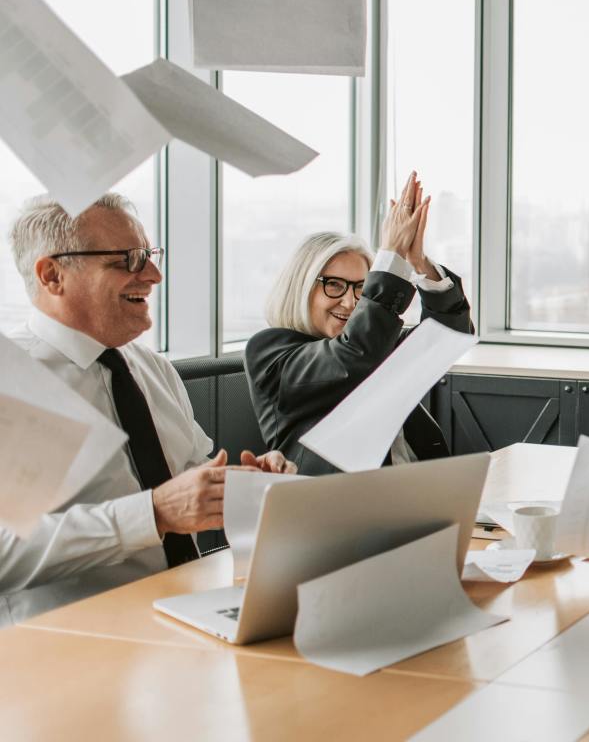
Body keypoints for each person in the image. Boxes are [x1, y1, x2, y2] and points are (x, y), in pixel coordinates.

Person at [1, 193, 294, 627]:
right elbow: (8, 554)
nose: (154, 275)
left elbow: (192, 480)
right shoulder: (14, 383)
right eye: (127, 260)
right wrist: (153, 514)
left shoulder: (152, 368)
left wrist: (247, 488)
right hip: (68, 645)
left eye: (149, 255)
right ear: (52, 275)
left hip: (185, 615)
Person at [245, 171, 472, 475]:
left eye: (361, 288)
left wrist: (419, 264)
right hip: (337, 509)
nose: (351, 302)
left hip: (421, 492)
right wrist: (390, 255)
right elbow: (353, 356)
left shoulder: (375, 342)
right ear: (300, 287)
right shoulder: (270, 352)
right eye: (334, 285)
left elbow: (446, 338)